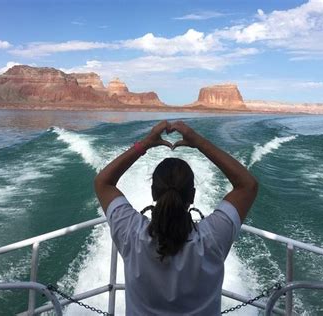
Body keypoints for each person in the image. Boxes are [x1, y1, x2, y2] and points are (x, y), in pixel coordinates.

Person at [94, 120, 258, 315]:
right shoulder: (213, 236)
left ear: (154, 193)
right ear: (193, 195)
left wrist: (145, 143)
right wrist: (198, 142)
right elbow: (247, 185)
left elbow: (103, 182)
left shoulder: (131, 233)